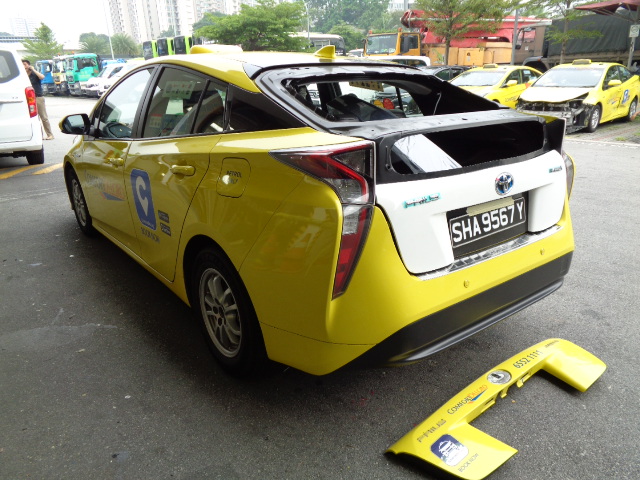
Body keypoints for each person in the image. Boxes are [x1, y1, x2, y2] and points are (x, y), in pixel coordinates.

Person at [22, 59, 54, 140]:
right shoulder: (22, 75)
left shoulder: (34, 74)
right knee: (34, 118)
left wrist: (33, 69)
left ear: (28, 65)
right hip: (28, 99)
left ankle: (50, 134)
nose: (24, 66)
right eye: (22, 65)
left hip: (38, 97)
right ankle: (39, 135)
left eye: (25, 64)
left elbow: (42, 77)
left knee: (43, 117)